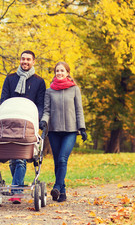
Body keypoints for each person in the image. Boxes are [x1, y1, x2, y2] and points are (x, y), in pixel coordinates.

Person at [0, 50, 46, 204]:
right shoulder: (10, 79)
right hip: (11, 123)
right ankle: (17, 187)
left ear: (33, 62)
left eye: (28, 59)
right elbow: (4, 100)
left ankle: (16, 191)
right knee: (13, 160)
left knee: (20, 159)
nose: (25, 61)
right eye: (23, 59)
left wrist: (36, 120)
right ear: (19, 60)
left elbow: (40, 104)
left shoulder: (39, 82)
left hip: (28, 124)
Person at [39, 61, 87, 202]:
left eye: (62, 70)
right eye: (57, 71)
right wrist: (44, 121)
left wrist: (82, 128)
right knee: (57, 162)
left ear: (67, 73)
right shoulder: (49, 91)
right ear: (55, 73)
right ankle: (62, 192)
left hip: (70, 131)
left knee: (62, 159)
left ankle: (57, 187)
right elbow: (47, 111)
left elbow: (79, 110)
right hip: (54, 131)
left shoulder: (74, 89)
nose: (59, 73)